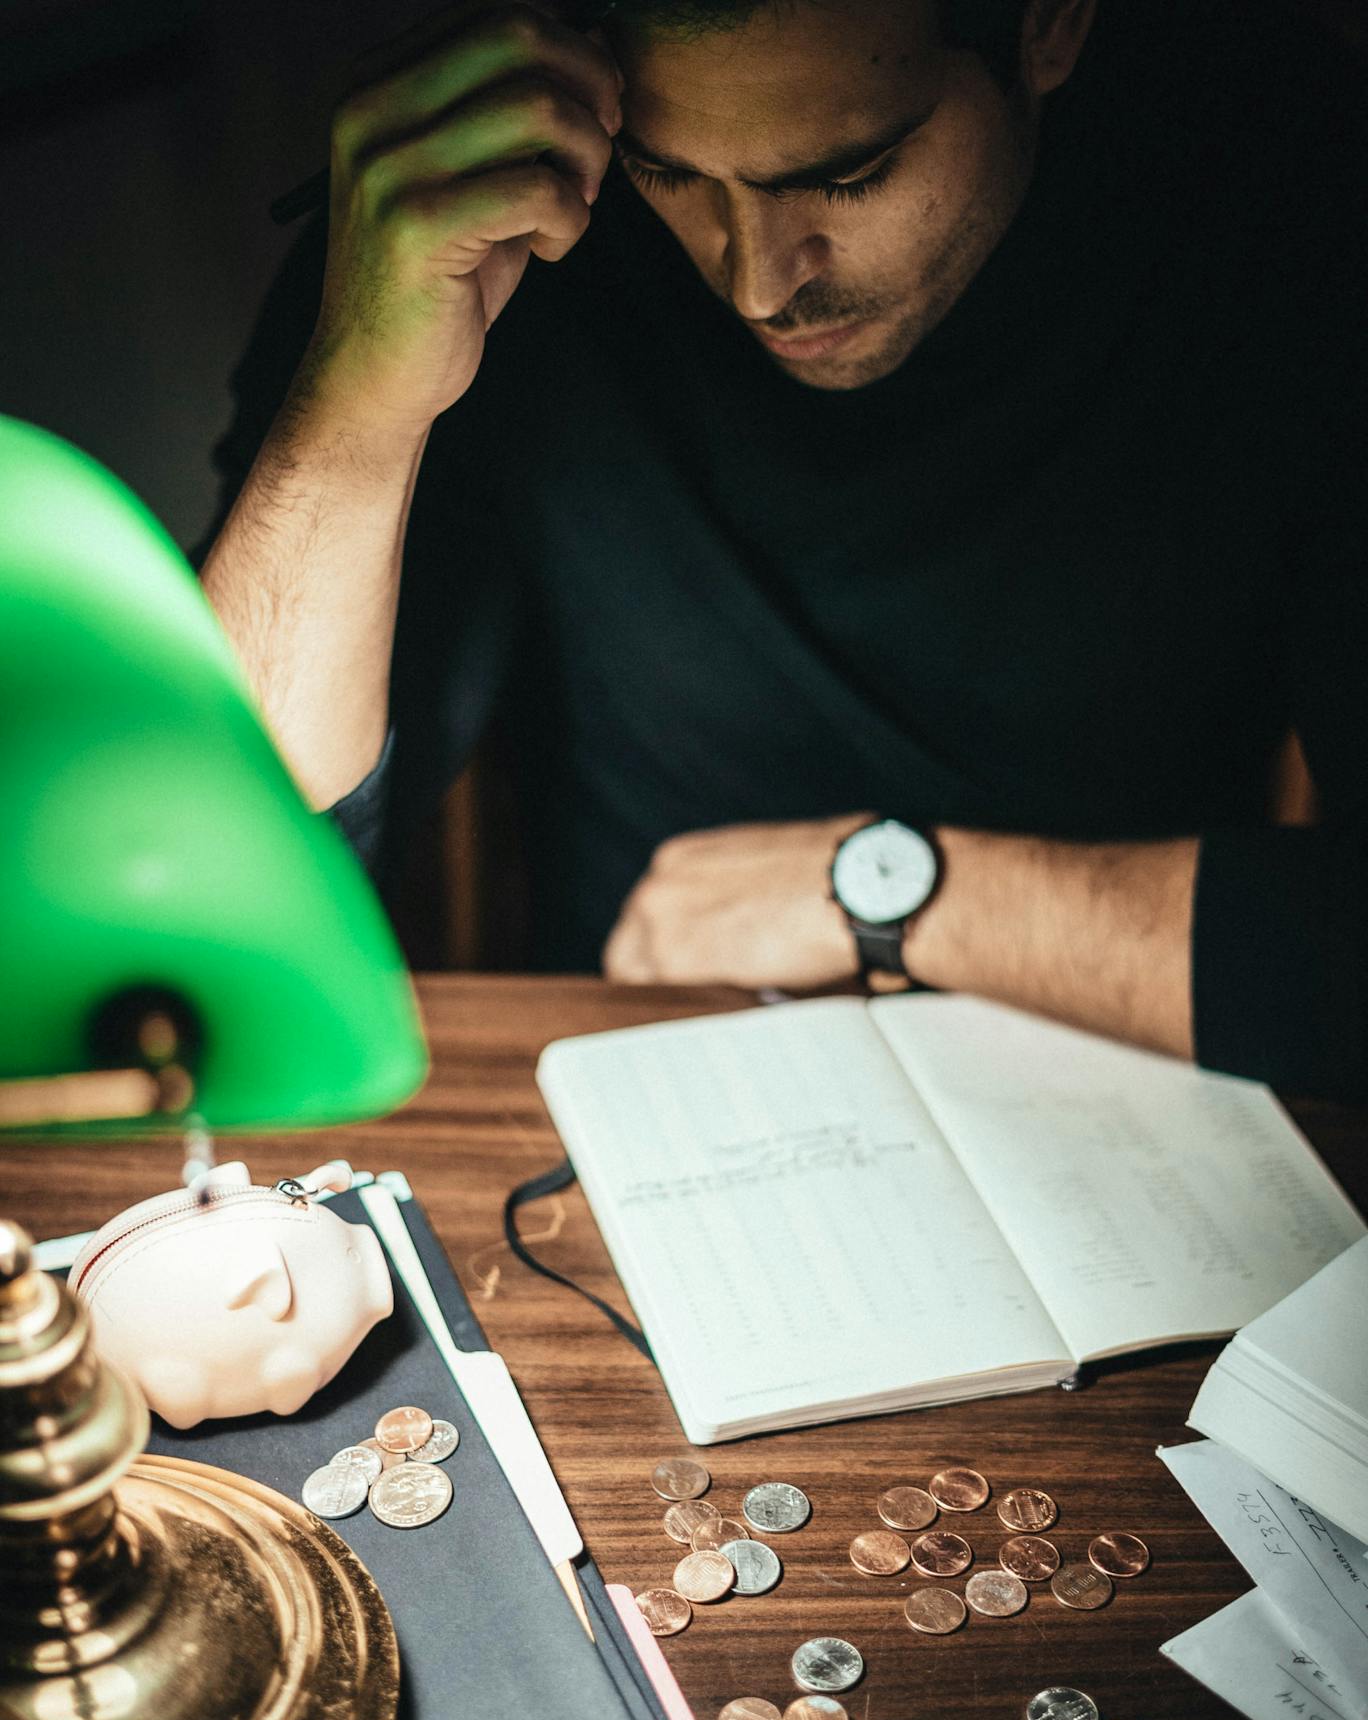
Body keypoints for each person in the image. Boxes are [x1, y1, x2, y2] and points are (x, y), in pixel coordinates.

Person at [197, 0, 1367, 1098]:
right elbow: (226, 906)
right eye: (666, 170)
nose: (758, 283)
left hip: (1130, 1081)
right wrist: (348, 417)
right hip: (651, 1069)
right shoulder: (505, 205)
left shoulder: (1299, 185)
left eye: (846, 175)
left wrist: (893, 895)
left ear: (1049, 22)